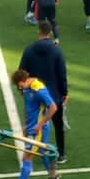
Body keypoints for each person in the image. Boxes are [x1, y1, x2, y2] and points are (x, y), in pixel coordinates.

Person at [3, 66, 58, 179]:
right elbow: (31, 109)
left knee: (27, 158)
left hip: (37, 130)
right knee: (44, 153)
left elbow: (53, 107)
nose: (19, 89)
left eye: (19, 86)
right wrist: (27, 125)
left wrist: (40, 124)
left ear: (22, 81)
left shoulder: (38, 90)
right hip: (33, 127)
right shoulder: (28, 88)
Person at [20, 20, 72, 163]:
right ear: (50, 32)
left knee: (31, 122)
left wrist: (22, 89)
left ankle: (28, 150)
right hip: (53, 93)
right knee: (58, 125)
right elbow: (62, 74)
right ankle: (61, 153)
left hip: (34, 93)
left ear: (39, 31)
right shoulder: (57, 50)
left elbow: (22, 72)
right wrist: (64, 92)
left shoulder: (29, 49)